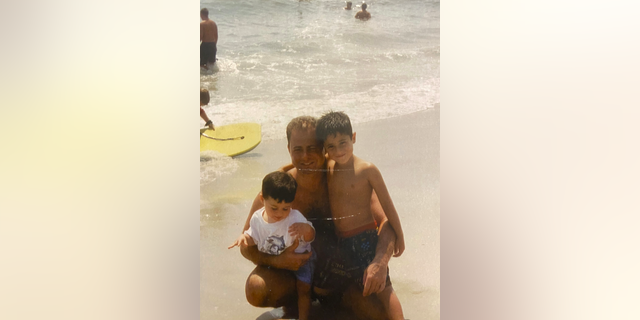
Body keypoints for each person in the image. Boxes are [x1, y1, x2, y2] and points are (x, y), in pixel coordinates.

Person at [240, 116, 398, 320]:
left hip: (344, 277)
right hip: (295, 277)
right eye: (298, 149)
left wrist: (380, 262)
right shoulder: (278, 189)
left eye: (312, 147)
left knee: (381, 316)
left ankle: (333, 306)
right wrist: (278, 261)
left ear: (324, 147)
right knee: (256, 288)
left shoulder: (347, 177)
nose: (305, 156)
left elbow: (386, 223)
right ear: (288, 148)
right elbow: (245, 245)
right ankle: (295, 305)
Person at [316, 111, 405, 319]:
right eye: (331, 146)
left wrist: (400, 236)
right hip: (342, 242)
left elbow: (388, 206)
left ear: (353, 137)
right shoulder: (329, 167)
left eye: (343, 143)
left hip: (365, 238)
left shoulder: (367, 170)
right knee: (331, 287)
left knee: (384, 289)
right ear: (325, 149)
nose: (338, 151)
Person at [229, 171, 316, 320]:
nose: (280, 213)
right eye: (274, 208)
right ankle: (288, 309)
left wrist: (306, 229)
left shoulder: (295, 217)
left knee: (304, 291)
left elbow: (311, 236)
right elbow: (252, 237)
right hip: (277, 262)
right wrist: (244, 238)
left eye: (285, 208)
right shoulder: (258, 218)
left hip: (302, 261)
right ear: (262, 199)